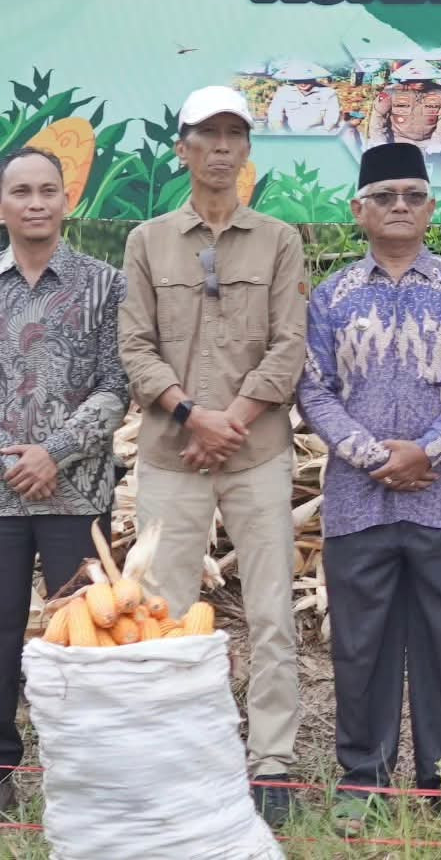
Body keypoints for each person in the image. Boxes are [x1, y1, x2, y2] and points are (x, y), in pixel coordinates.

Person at [118, 85, 308, 828]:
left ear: (247, 149)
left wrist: (233, 419)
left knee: (269, 611)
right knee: (162, 613)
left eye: (235, 135)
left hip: (255, 452)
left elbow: (290, 343)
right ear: (183, 149)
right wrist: (193, 415)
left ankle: (272, 762)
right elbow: (135, 345)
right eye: (208, 135)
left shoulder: (278, 239)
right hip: (172, 455)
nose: (222, 148)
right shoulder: (148, 240)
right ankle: (173, 753)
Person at [297, 143, 441, 832]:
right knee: (360, 645)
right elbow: (313, 388)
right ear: (359, 211)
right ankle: (364, 781)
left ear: (431, 208)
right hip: (359, 501)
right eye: (384, 196)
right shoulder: (331, 296)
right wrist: (368, 455)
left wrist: (429, 448)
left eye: (413, 195)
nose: (399, 207)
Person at [0, 148, 128, 816]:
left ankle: (83, 776)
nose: (36, 203)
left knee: (83, 637)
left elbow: (118, 385)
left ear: (67, 199)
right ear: (3, 204)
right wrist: (12, 461)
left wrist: (52, 453)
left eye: (48, 190)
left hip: (77, 492)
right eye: (21, 191)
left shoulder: (106, 284)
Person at [369, 60, 441, 154]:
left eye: (425, 79)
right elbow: (378, 116)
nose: (421, 82)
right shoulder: (391, 92)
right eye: (416, 79)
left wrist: (438, 142)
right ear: (407, 78)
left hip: (429, 141)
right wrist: (379, 141)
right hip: (398, 140)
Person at [265, 61, 341, 133]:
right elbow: (275, 114)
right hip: (289, 134)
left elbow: (332, 118)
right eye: (298, 80)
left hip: (318, 135)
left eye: (306, 79)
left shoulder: (328, 93)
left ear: (314, 78)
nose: (303, 83)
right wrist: (281, 133)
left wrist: (323, 134)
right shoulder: (283, 92)